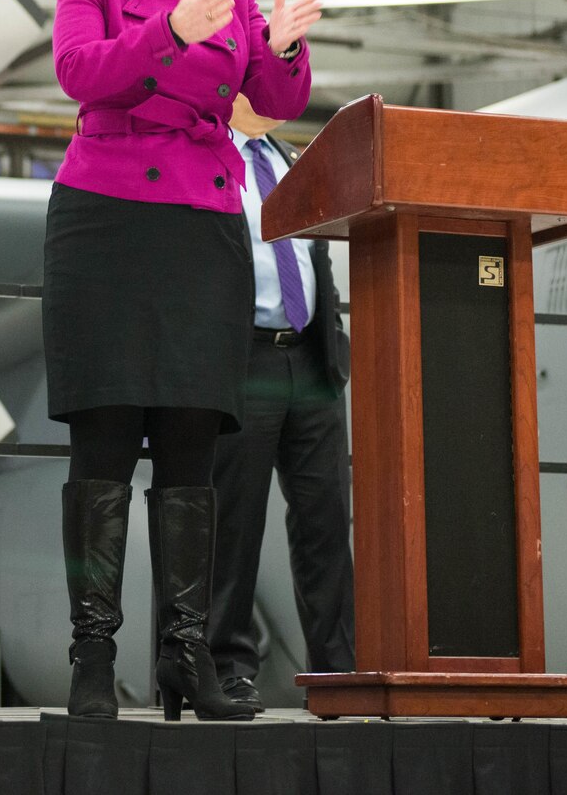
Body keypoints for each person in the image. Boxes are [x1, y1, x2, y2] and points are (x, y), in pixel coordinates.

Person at [46, 0, 322, 722]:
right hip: (109, 223)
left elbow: (274, 103)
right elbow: (81, 73)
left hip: (205, 228)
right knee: (106, 439)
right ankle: (94, 654)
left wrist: (278, 45)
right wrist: (166, 29)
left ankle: (186, 656)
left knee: (195, 446)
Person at [209, 93, 354, 713]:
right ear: (231, 90)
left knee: (325, 523)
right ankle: (226, 667)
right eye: (262, 82)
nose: (278, 97)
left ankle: (338, 670)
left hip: (312, 364)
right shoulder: (210, 161)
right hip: (243, 361)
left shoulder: (294, 161)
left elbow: (314, 253)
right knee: (234, 525)